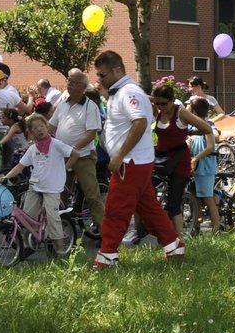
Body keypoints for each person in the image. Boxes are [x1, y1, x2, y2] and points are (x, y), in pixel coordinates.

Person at [91, 49, 184, 269]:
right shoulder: (121, 92)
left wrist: (120, 155)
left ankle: (107, 255)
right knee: (149, 208)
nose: (99, 79)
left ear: (116, 70)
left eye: (102, 75)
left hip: (130, 163)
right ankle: (173, 245)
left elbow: (140, 123)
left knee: (115, 209)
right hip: (135, 162)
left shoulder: (128, 92)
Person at [0, 113, 76, 251]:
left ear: (47, 127)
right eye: (35, 128)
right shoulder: (32, 149)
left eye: (42, 126)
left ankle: (60, 249)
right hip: (35, 186)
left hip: (52, 187)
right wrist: (6, 177)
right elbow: (20, 166)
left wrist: (65, 168)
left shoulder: (56, 144)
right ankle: (28, 245)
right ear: (31, 133)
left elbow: (75, 154)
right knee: (27, 216)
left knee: (52, 218)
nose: (39, 130)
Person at [150, 82, 214, 238]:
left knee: (173, 202)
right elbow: (148, 98)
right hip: (162, 157)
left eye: (164, 104)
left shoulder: (181, 113)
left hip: (179, 159)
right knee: (146, 191)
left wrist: (189, 133)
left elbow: (207, 129)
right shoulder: (157, 110)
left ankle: (178, 240)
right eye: (157, 104)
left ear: (172, 99)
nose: (161, 107)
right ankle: (145, 230)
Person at [49, 68, 106, 234]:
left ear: (82, 87)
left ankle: (105, 234)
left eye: (73, 82)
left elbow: (91, 134)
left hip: (83, 157)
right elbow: (51, 126)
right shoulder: (63, 105)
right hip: (63, 157)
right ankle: (60, 232)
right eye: (68, 81)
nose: (69, 84)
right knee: (60, 194)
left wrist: (74, 149)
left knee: (92, 195)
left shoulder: (90, 107)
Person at [186, 97, 221, 232]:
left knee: (208, 197)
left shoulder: (207, 125)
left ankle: (216, 228)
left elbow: (210, 147)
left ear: (194, 110)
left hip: (205, 166)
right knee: (195, 197)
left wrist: (196, 158)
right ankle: (196, 225)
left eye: (189, 107)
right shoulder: (191, 126)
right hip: (195, 166)